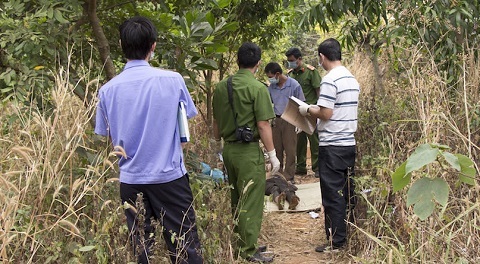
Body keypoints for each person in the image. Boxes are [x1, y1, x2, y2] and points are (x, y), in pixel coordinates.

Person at [94, 16, 203, 263]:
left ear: (121, 45)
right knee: (185, 247)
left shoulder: (108, 90)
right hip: (170, 178)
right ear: (153, 46)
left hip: (131, 181)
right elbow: (186, 121)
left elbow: (108, 136)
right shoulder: (173, 80)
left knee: (142, 248)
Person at [212, 42, 280, 263]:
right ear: (258, 63)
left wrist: (217, 144)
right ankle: (248, 250)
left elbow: (215, 125)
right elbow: (263, 125)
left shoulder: (222, 87)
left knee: (236, 199)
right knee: (251, 199)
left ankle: (243, 241)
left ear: (237, 61)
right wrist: (272, 154)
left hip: (228, 150)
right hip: (248, 152)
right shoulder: (258, 88)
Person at [298, 38, 359, 252]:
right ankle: (349, 234)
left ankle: (336, 242)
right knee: (347, 192)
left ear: (322, 57)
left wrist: (307, 109)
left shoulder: (329, 80)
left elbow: (326, 112)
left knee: (332, 195)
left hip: (332, 144)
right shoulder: (351, 78)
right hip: (348, 143)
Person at [264, 62, 305, 183]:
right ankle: (277, 175)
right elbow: (268, 103)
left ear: (277, 74)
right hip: (277, 120)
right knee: (277, 149)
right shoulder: (271, 88)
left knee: (290, 150)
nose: (270, 79)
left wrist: (300, 123)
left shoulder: (294, 85)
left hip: (290, 119)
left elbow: (301, 103)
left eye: (270, 76)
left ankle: (289, 177)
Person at [285, 48, 322, 178]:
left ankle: (317, 167)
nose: (290, 63)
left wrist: (319, 109)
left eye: (292, 61)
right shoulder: (290, 74)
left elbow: (318, 91)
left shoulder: (311, 72)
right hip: (296, 112)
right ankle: (300, 167)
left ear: (299, 59)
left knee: (314, 140)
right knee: (299, 142)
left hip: (311, 111)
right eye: (289, 61)